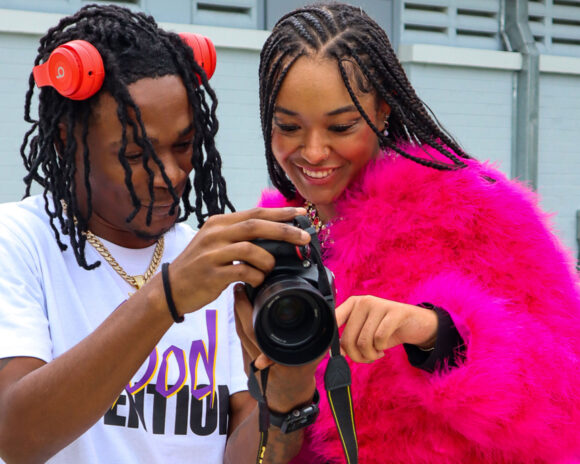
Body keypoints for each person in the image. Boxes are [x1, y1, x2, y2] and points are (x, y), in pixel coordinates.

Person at [234, 3, 580, 463]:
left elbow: (565, 391)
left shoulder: (476, 208)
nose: (313, 152)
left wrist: (436, 334)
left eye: (341, 126)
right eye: (288, 127)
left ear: (382, 110)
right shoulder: (270, 238)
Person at [0, 4, 317, 463]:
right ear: (66, 142)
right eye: (134, 154)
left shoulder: (209, 258)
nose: (170, 174)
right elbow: (17, 435)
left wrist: (285, 402)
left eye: (184, 145)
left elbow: (245, 454)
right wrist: (165, 298)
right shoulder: (18, 240)